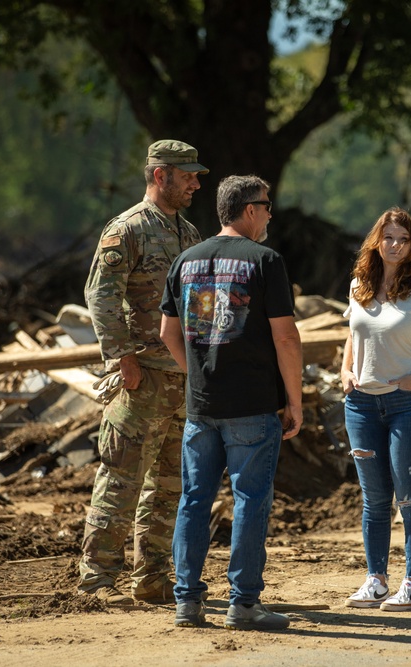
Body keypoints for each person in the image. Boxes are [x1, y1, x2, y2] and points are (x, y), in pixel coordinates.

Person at [159, 174, 303, 631]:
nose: (269, 214)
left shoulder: (185, 260)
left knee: (194, 502)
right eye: (266, 205)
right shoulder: (266, 261)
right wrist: (294, 401)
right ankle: (243, 606)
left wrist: (197, 372)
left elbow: (167, 333)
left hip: (202, 408)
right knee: (250, 501)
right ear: (248, 210)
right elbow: (285, 337)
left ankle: (188, 603)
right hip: (253, 406)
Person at [78, 140, 208, 606]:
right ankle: (98, 580)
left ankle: (152, 578)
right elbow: (101, 296)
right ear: (160, 175)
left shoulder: (189, 234)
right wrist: (121, 358)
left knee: (169, 485)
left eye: (196, 175)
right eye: (188, 175)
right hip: (142, 379)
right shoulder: (128, 229)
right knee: (121, 480)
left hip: (182, 381)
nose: (196, 182)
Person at [340, 207, 411, 612]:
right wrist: (344, 371)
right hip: (362, 405)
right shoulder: (359, 285)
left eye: (403, 239)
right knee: (373, 499)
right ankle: (375, 580)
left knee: (408, 495)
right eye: (388, 237)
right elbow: (353, 336)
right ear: (377, 240)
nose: (394, 245)